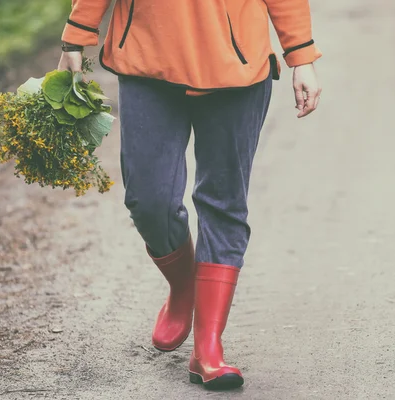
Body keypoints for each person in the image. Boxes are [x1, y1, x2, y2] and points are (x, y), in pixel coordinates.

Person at [58, 0, 322, 390]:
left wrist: (301, 55)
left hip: (238, 65)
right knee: (149, 200)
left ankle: (208, 350)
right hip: (146, 58)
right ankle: (184, 285)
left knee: (224, 202)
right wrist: (76, 37)